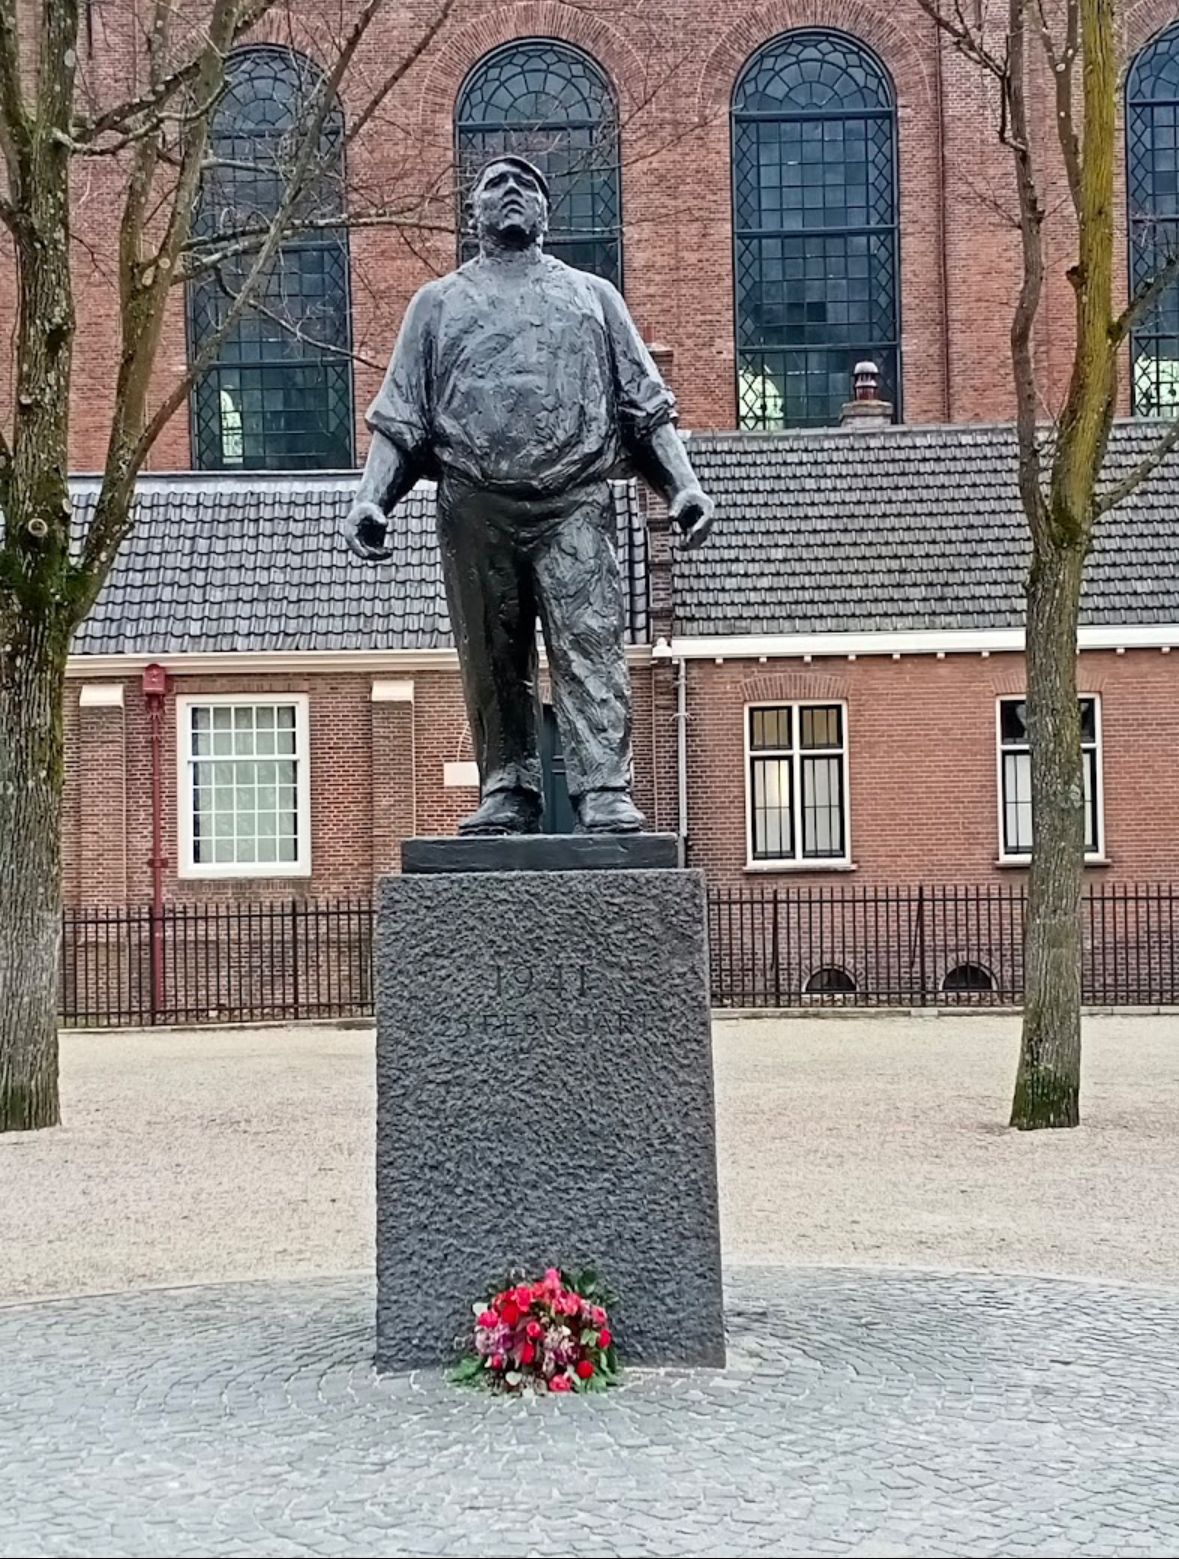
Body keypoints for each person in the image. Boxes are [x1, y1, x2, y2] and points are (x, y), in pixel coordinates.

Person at [344, 154, 714, 835]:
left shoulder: (594, 297)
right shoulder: (435, 306)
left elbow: (644, 405)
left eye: (528, 186)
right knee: (490, 655)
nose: (512, 192)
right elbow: (400, 417)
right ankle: (506, 787)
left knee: (590, 642)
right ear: (472, 213)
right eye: (495, 184)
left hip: (572, 499)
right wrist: (373, 499)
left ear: (546, 214)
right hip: (475, 504)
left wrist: (683, 484)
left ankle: (603, 786)